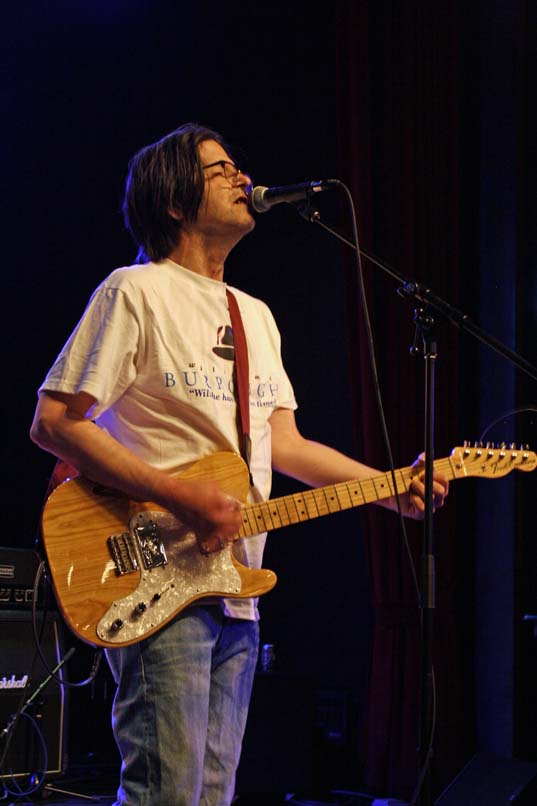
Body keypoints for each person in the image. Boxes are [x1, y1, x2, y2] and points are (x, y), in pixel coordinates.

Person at [30, 122, 449, 806]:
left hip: (232, 589)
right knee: (165, 794)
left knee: (212, 794)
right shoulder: (134, 290)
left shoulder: (252, 314)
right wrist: (182, 496)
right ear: (172, 200)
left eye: (237, 166)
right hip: (153, 577)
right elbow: (54, 422)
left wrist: (389, 487)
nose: (241, 179)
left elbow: (284, 446)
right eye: (218, 168)